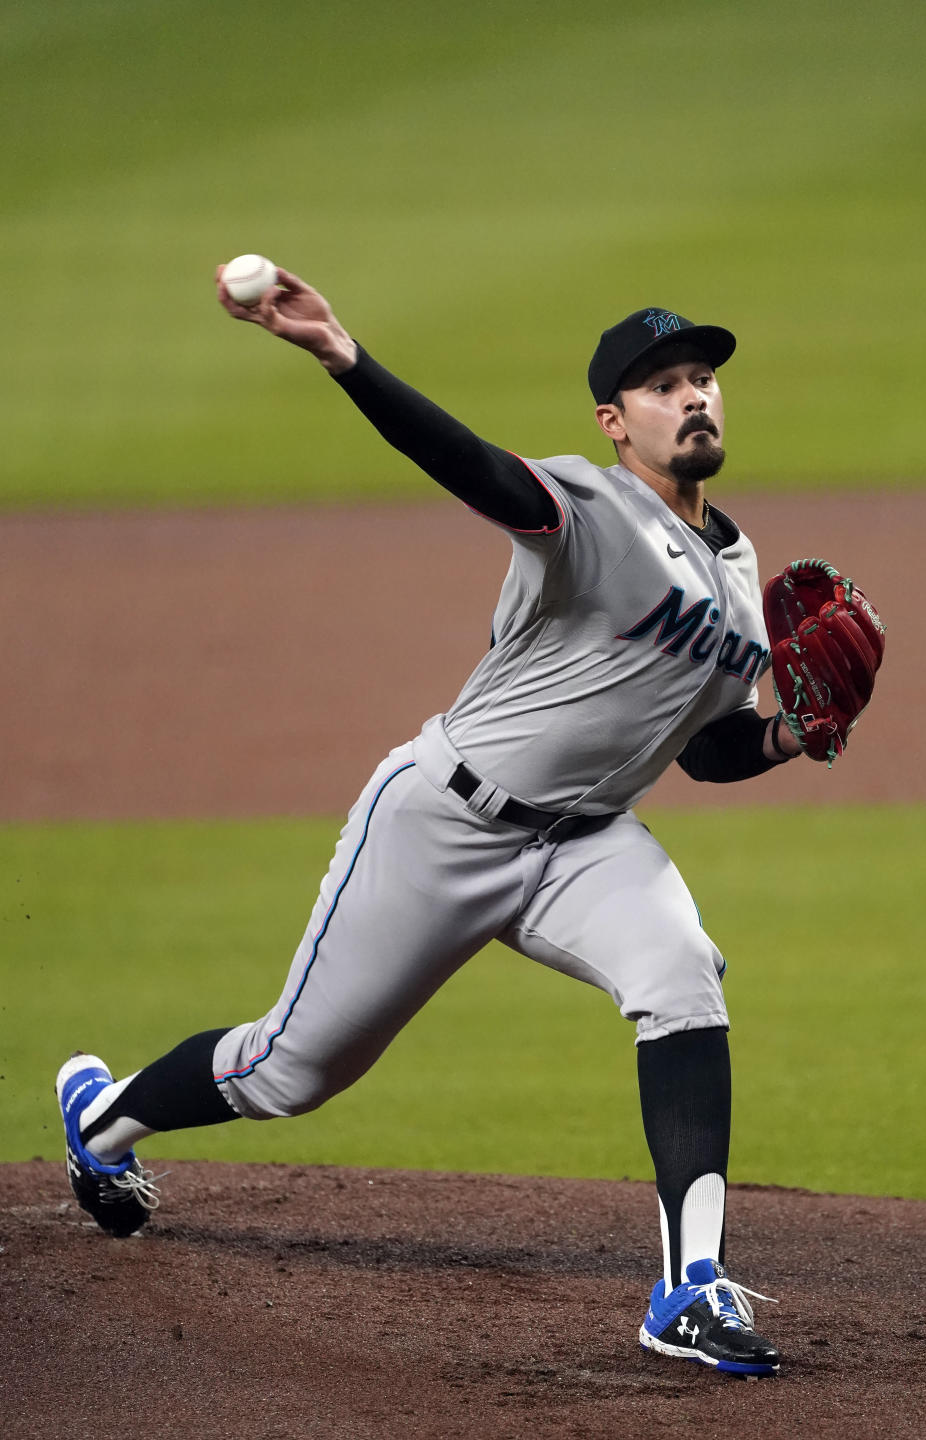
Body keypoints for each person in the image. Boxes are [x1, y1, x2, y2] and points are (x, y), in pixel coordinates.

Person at [57, 268, 805, 1378]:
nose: (693, 396)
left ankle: (689, 1289)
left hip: (587, 844)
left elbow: (702, 744)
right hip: (441, 824)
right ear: (615, 422)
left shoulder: (740, 573)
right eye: (662, 385)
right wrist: (342, 355)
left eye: (702, 377)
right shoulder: (586, 507)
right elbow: (472, 468)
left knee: (684, 974)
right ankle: (104, 1122)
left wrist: (797, 734)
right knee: (286, 1073)